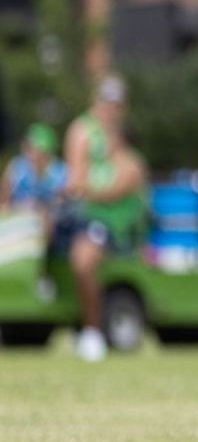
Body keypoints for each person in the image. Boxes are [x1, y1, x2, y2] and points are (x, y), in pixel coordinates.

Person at [62, 75, 147, 362]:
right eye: (106, 103)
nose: (110, 111)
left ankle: (93, 331)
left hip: (118, 225)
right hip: (85, 217)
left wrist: (92, 190)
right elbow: (76, 183)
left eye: (116, 105)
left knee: (86, 261)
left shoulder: (125, 148)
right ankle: (88, 330)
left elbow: (129, 181)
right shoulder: (83, 131)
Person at [0, 124, 67, 221]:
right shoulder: (17, 167)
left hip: (50, 221)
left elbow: (65, 203)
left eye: (34, 148)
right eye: (28, 148)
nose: (31, 155)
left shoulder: (60, 172)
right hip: (18, 217)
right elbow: (3, 200)